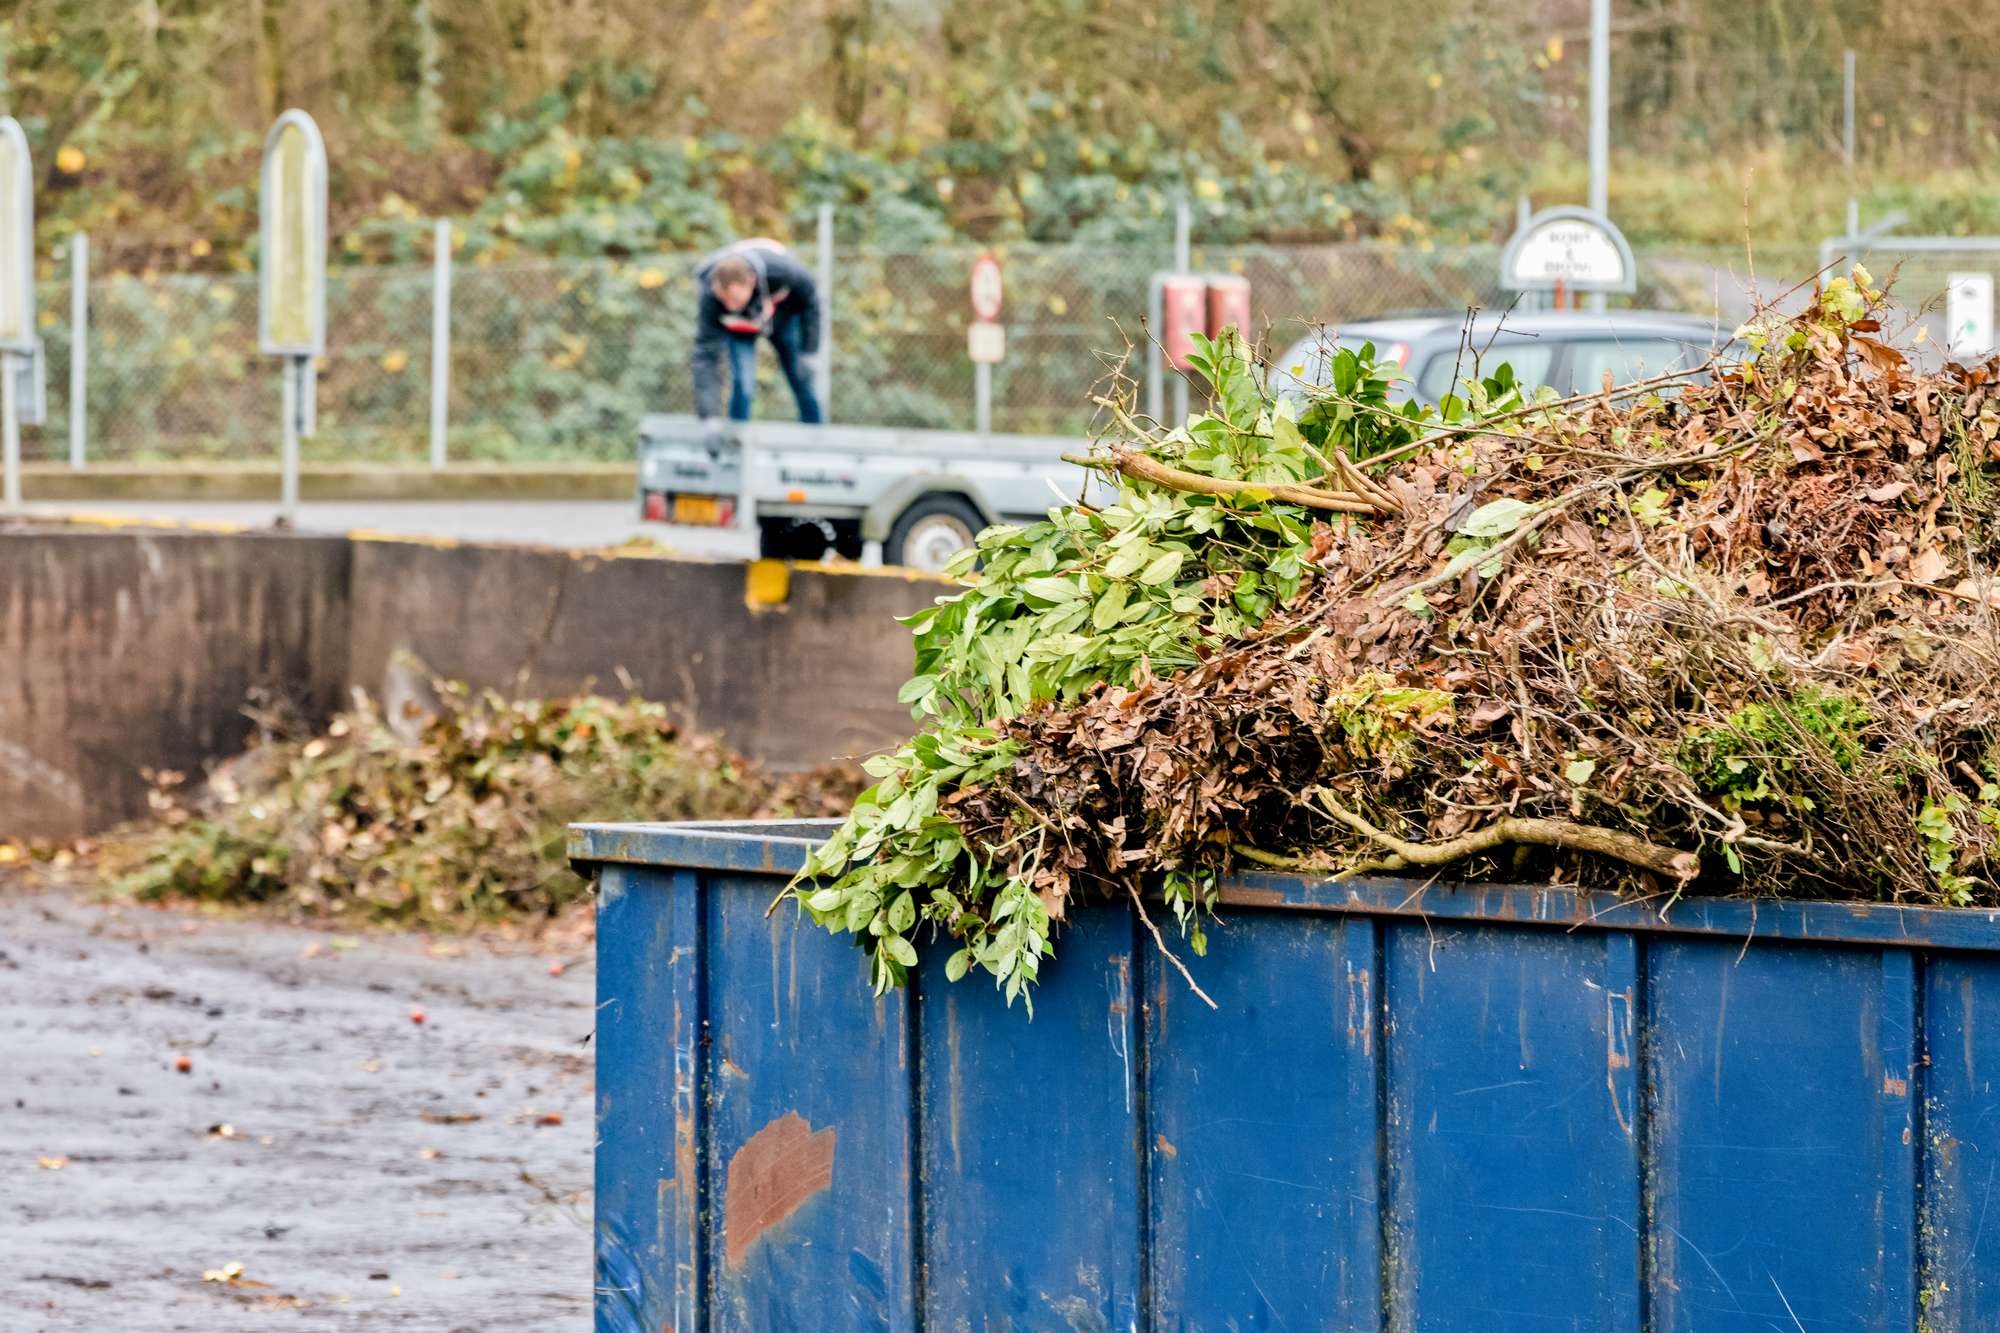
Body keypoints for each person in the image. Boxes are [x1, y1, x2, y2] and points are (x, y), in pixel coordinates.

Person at [690, 238, 823, 430]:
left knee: (800, 377)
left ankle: (815, 438)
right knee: (743, 385)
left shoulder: (782, 270)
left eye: (734, 298)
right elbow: (705, 356)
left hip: (782, 318)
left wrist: (809, 350)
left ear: (751, 281)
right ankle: (737, 441)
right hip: (740, 329)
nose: (729, 306)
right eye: (723, 299)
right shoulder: (710, 296)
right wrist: (708, 417)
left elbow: (811, 302)